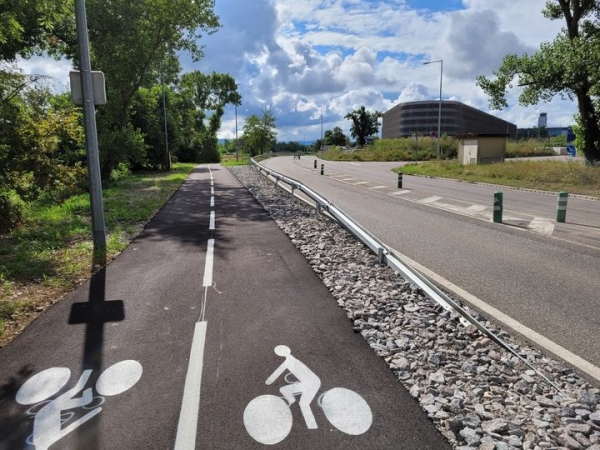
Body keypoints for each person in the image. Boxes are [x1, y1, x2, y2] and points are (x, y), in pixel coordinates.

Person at [265, 345, 321, 429]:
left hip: (310, 383)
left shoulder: (287, 362)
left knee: (303, 403)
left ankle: (311, 425)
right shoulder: (294, 360)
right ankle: (311, 424)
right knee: (301, 402)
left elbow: (272, 378)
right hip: (312, 382)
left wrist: (267, 381)